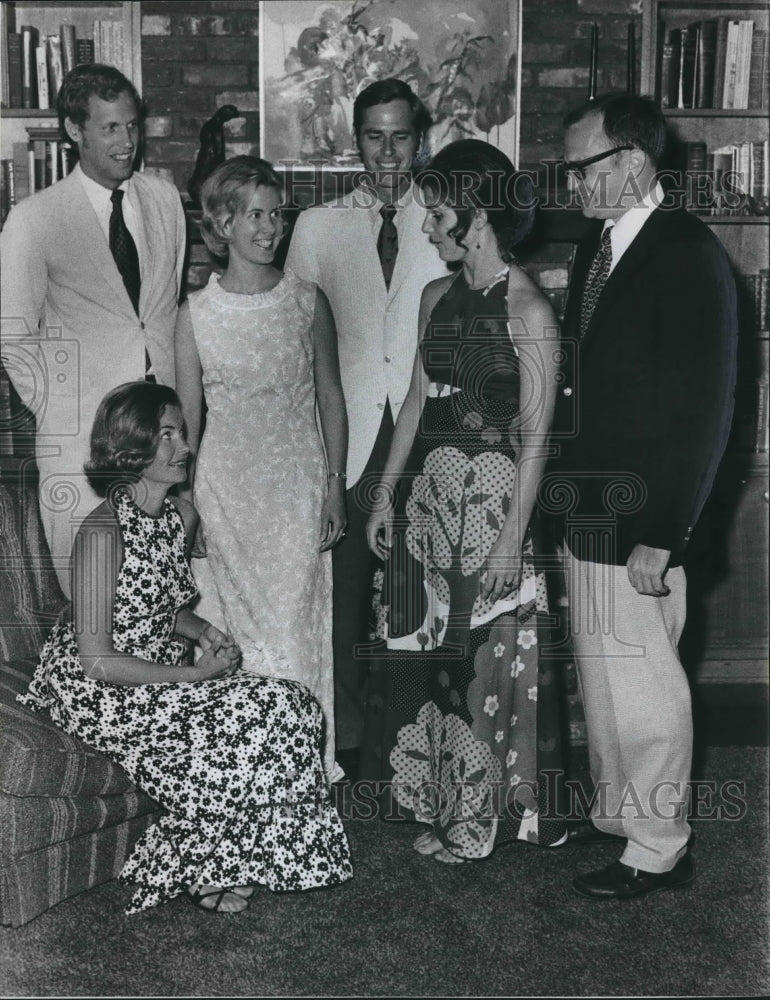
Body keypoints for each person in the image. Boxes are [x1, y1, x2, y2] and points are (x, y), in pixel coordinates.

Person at [17, 382, 353, 915]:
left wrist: (199, 632)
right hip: (96, 688)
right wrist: (194, 679)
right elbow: (97, 657)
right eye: (167, 435)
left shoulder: (176, 517)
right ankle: (204, 868)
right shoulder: (101, 533)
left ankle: (260, 853)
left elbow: (157, 605)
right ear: (133, 448)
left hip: (150, 669)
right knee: (249, 713)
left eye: (181, 432)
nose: (184, 446)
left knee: (293, 704)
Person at [545, 93, 737, 899]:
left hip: (642, 522)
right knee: (607, 681)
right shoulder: (600, 245)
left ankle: (660, 848)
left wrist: (667, 531)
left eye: (581, 168)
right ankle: (624, 823)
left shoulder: (687, 252)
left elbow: (707, 407)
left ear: (631, 161)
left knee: (647, 686)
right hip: (586, 509)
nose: (571, 186)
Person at [364, 139, 566, 862]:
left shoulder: (530, 310)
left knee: (487, 662)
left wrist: (514, 540)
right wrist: (386, 498)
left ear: (476, 214)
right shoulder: (432, 298)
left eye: (438, 213)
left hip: (491, 510)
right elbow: (416, 404)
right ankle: (439, 804)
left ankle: (486, 820)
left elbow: (538, 438)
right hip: (429, 507)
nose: (427, 228)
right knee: (431, 662)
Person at [285, 78, 447, 779]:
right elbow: (295, 339)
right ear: (357, 142)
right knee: (342, 598)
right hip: (345, 432)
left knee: (418, 592)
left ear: (421, 139)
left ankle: (411, 740)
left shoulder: (443, 218)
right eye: (375, 137)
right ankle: (346, 739)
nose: (388, 152)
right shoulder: (319, 227)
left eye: (401, 136)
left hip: (423, 427)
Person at [174, 156, 348, 780]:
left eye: (277, 213)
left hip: (297, 492)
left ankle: (299, 772)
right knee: (233, 634)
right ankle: (242, 774)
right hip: (224, 496)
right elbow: (187, 423)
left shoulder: (307, 301)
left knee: (297, 625)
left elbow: (331, 396)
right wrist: (185, 506)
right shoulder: (194, 315)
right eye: (255, 215)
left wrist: (335, 488)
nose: (271, 227)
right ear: (222, 224)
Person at [0, 64, 186, 596]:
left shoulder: (164, 200)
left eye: (132, 125)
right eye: (110, 128)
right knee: (94, 604)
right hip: (81, 447)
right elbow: (12, 335)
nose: (127, 142)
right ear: (73, 130)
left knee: (161, 604)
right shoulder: (35, 218)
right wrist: (65, 408)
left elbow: (160, 310)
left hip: (161, 443)